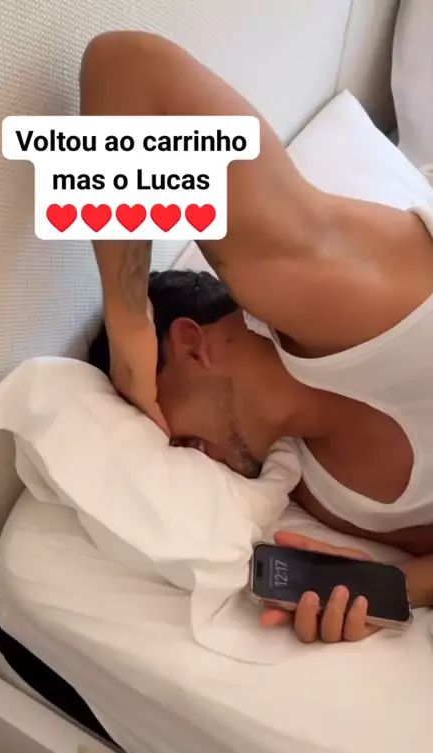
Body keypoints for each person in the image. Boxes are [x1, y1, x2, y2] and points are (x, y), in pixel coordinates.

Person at [82, 31, 433, 644]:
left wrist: (128, 316)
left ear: (190, 344)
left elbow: (126, 65)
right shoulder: (324, 497)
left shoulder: (322, 287)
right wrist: (397, 586)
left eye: (163, 423)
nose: (185, 453)